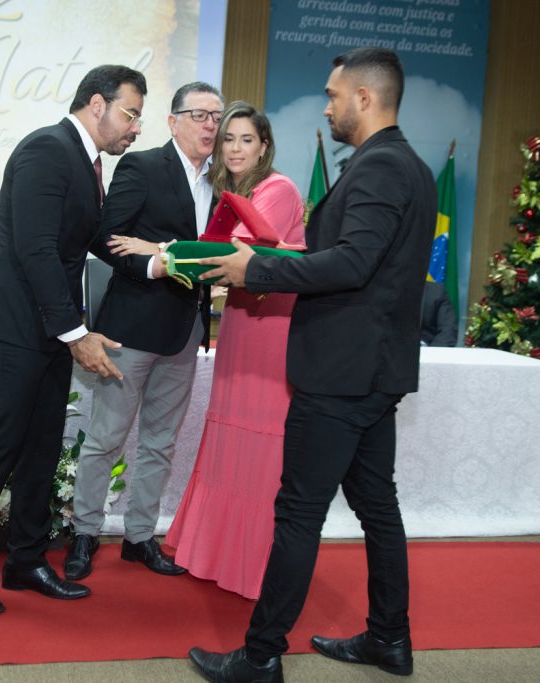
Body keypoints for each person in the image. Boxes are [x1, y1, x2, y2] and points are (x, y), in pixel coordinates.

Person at [187, 47, 437, 681]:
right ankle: (390, 639)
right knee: (377, 505)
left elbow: (352, 263)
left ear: (364, 98)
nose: (325, 106)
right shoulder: (409, 164)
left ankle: (262, 654)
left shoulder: (381, 168)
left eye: (332, 95)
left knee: (298, 512)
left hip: (341, 374)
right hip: (374, 372)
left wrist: (258, 267)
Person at [0, 65, 148, 615]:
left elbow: (91, 239)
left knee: (42, 445)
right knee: (1, 443)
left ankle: (25, 560)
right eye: (131, 113)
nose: (136, 128)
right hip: (10, 321)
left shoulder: (84, 159)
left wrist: (157, 260)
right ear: (97, 104)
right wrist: (76, 332)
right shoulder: (47, 149)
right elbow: (35, 249)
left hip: (46, 325)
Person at [63, 82, 224, 581]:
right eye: (199, 115)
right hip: (130, 329)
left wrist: (165, 249)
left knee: (160, 443)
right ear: (173, 121)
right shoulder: (143, 166)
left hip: (185, 330)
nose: (210, 126)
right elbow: (108, 240)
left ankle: (139, 538)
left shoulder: (220, 184)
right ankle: (85, 533)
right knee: (106, 439)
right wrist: (159, 262)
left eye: (216, 118)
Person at [164, 101, 305, 600]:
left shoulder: (278, 189)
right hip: (242, 325)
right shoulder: (233, 193)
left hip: (270, 332)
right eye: (228, 139)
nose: (236, 148)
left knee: (261, 441)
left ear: (264, 145)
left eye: (247, 139)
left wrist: (166, 253)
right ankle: (212, 552)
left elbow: (236, 252)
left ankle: (252, 565)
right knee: (227, 434)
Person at [420, 282, 457, 347]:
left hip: (429, 350)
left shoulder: (436, 292)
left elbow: (448, 330)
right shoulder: (396, 291)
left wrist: (432, 354)